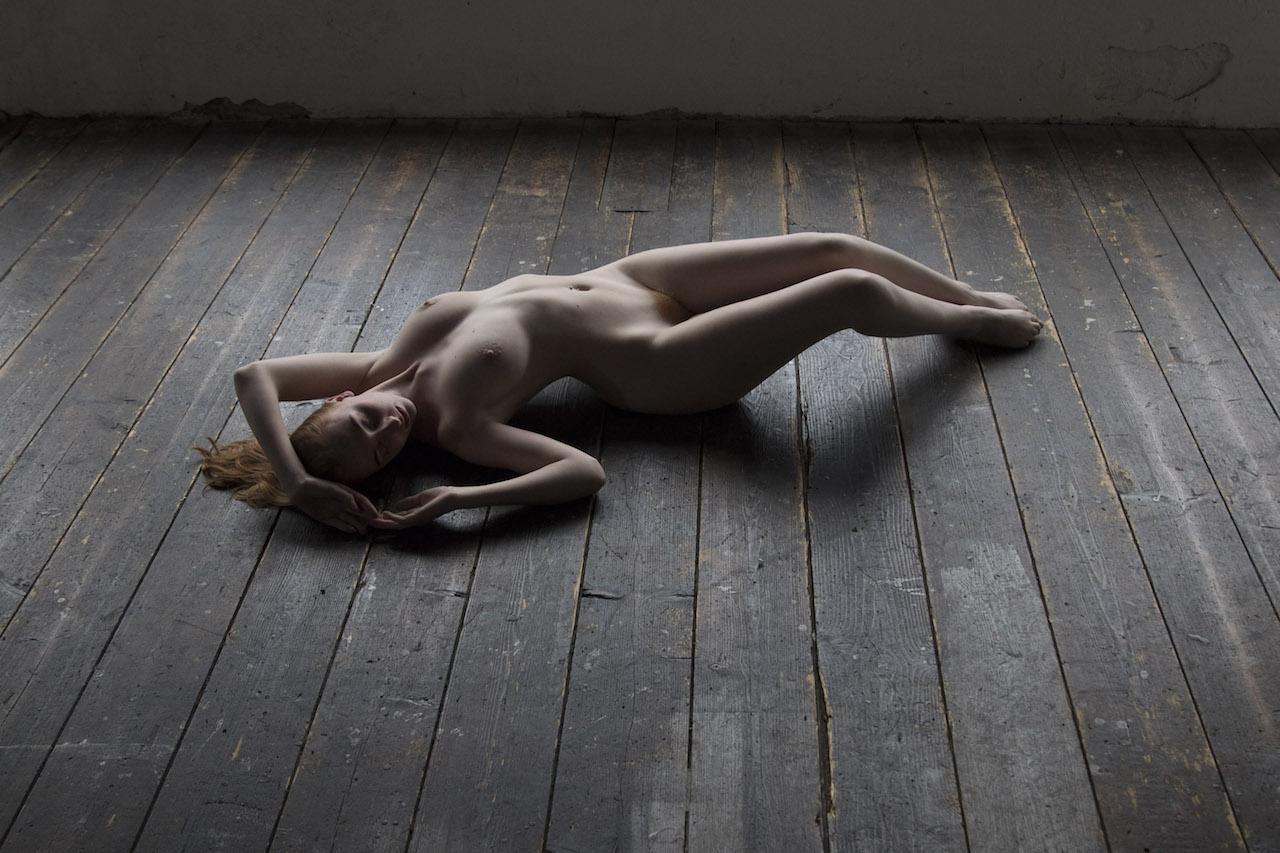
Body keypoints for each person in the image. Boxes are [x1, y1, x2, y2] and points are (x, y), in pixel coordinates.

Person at [196, 232, 1041, 534]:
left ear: (340, 399)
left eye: (363, 422)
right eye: (382, 452)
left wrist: (299, 481)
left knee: (832, 246)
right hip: (660, 363)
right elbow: (583, 472)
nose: (387, 428)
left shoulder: (373, 367)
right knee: (849, 291)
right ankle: (968, 324)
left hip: (627, 280)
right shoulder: (456, 426)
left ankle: (965, 293)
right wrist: (459, 499)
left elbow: (252, 373)